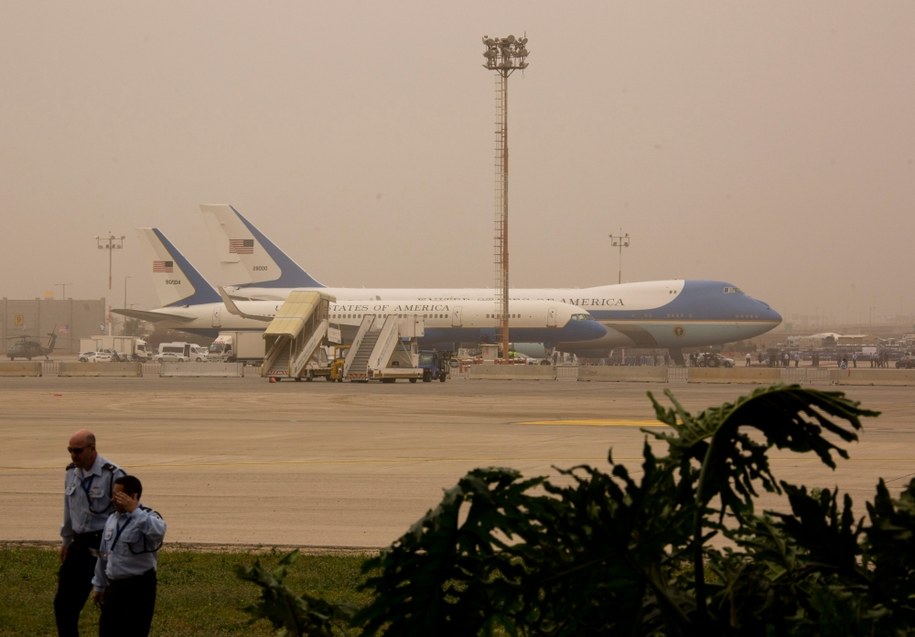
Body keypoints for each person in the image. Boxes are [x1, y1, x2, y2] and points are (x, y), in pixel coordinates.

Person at [55, 429, 126, 637]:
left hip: (103, 544)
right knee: (64, 603)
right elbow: (69, 508)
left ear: (92, 449)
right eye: (70, 451)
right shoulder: (71, 472)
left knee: (107, 601)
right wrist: (66, 540)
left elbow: (124, 513)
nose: (73, 456)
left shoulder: (113, 474)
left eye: (77, 451)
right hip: (79, 543)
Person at [92, 475, 166, 637]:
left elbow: (158, 532)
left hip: (138, 588)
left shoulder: (148, 517)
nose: (113, 499)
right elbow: (104, 554)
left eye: (118, 496)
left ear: (133, 497)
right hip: (114, 587)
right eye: (113, 494)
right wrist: (99, 585)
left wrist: (134, 511)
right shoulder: (112, 519)